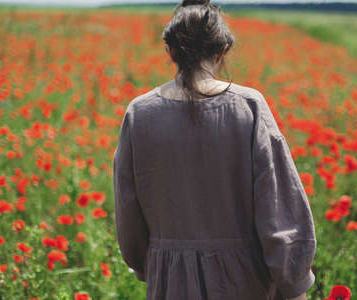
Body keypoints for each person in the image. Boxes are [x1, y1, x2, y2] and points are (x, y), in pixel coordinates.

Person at [113, 1, 317, 300]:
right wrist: (293, 283)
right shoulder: (249, 107)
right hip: (244, 282)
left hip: (169, 280)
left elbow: (128, 212)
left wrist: (151, 267)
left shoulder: (139, 113)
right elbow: (277, 206)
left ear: (169, 50)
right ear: (222, 52)